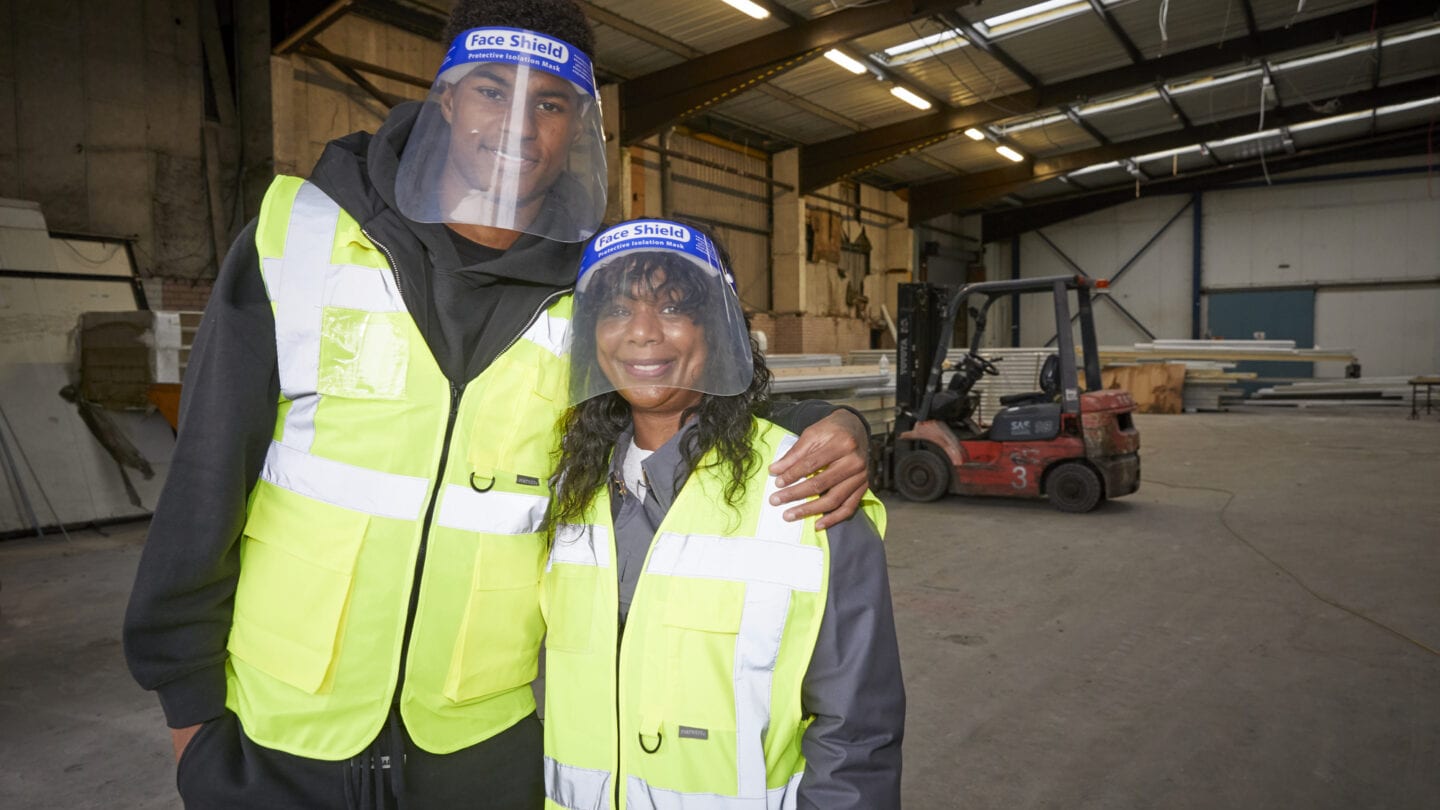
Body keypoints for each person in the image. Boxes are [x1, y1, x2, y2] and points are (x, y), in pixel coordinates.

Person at [122, 2, 872, 807]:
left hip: (478, 739)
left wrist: (835, 423)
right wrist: (190, 712)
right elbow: (206, 470)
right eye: (491, 90)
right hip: (276, 727)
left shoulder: (596, 291)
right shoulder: (300, 232)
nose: (518, 127)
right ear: (446, 97)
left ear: (578, 126)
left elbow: (686, 393)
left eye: (550, 103)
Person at [541, 220, 904, 809]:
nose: (641, 333)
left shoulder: (808, 487)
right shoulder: (567, 486)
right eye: (616, 311)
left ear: (720, 328)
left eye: (674, 307)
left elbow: (857, 731)